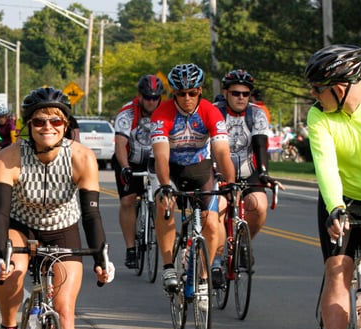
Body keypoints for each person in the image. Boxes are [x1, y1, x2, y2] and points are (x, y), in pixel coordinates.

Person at [0, 87, 112, 329]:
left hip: (63, 229)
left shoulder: (82, 158)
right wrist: (0, 254)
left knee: (65, 312)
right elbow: (2, 214)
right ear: (28, 125)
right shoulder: (10, 157)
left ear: (66, 124)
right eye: (39, 121)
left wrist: (100, 258)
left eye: (56, 121)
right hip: (21, 226)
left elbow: (91, 216)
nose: (48, 127)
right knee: (15, 271)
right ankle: (8, 326)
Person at [304, 44, 361, 329]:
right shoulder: (318, 115)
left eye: (317, 88)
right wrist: (335, 207)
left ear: (340, 87)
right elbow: (325, 166)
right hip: (342, 198)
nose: (313, 95)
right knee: (337, 271)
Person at [150, 63, 235, 295]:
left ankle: (203, 277)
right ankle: (168, 266)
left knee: (210, 222)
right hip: (171, 168)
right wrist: (166, 186)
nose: (187, 98)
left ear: (200, 91)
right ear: (173, 93)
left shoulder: (211, 111)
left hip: (201, 168)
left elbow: (221, 152)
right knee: (164, 203)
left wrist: (230, 183)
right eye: (181, 93)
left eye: (192, 93)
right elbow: (161, 155)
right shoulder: (162, 113)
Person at [211, 69, 280, 285]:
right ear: (226, 92)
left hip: (248, 173)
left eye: (245, 93)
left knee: (259, 205)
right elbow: (207, 146)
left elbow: (260, 144)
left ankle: (242, 243)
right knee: (220, 207)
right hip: (219, 171)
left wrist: (265, 173)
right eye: (236, 93)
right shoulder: (214, 112)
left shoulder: (256, 113)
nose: (241, 97)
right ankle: (216, 260)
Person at [113, 74, 164, 268]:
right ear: (140, 96)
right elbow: (120, 145)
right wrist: (125, 168)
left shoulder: (165, 112)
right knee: (128, 200)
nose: (152, 102)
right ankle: (130, 249)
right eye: (148, 97)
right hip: (129, 159)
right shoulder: (127, 113)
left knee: (164, 198)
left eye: (155, 98)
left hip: (155, 159)